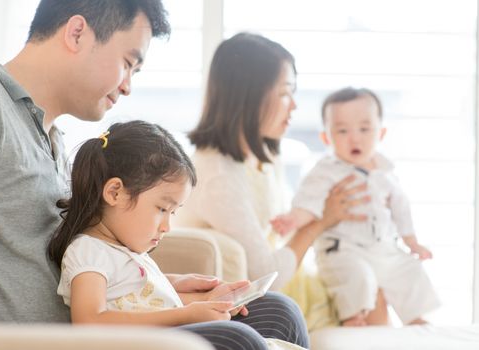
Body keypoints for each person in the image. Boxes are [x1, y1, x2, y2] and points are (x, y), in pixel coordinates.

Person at [0, 1, 308, 349]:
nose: (127, 87)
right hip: (42, 339)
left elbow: (77, 267)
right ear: (77, 33)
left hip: (96, 328)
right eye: (128, 64)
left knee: (278, 312)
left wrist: (165, 289)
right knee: (239, 340)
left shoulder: (55, 143)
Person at [174, 32, 389, 330]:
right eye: (286, 92)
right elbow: (267, 274)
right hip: (264, 303)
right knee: (367, 295)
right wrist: (322, 221)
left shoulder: (261, 155)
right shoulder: (218, 175)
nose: (294, 106)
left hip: (293, 282)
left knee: (375, 284)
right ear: (252, 95)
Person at [48, 120, 306, 350]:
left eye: (173, 213)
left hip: (168, 333)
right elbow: (90, 323)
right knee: (237, 338)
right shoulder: (88, 251)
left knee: (280, 310)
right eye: (162, 209)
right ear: (115, 192)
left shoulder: (125, 250)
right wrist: (187, 315)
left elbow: (137, 299)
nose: (167, 226)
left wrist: (205, 298)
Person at [271, 87, 440, 326]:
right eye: (342, 130)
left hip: (382, 248)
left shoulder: (386, 171)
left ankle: (416, 319)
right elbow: (309, 201)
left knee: (408, 269)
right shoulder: (326, 171)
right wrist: (293, 219)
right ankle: (353, 316)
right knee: (357, 277)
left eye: (364, 129)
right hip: (343, 250)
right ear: (326, 138)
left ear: (380, 133)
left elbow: (400, 207)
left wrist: (411, 241)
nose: (355, 138)